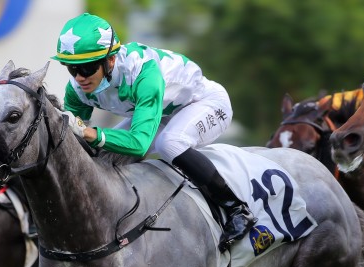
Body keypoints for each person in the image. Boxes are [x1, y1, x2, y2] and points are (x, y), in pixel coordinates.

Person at [53, 12, 255, 252]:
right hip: (159, 114)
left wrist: (91, 133)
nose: (79, 78)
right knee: (104, 159)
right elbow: (78, 145)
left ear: (111, 60)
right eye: (71, 68)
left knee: (170, 143)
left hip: (204, 104)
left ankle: (236, 209)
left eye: (86, 68)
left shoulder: (143, 74)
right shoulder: (76, 88)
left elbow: (138, 143)